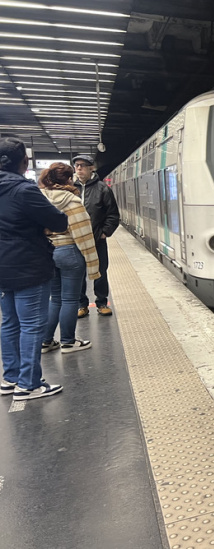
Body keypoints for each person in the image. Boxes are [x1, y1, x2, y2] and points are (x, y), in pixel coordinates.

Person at [0, 137, 68, 401]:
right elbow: (58, 221)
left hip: (3, 268)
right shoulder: (23, 190)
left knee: (9, 322)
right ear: (24, 162)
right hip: (28, 265)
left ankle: (11, 378)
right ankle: (29, 384)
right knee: (31, 325)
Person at [39, 162, 100, 354]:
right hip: (69, 252)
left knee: (55, 298)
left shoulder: (39, 199)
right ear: (68, 179)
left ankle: (46, 341)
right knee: (70, 299)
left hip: (49, 252)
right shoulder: (71, 201)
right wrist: (92, 263)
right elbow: (83, 234)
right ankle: (67, 341)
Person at [72, 154, 119, 318]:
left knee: (100, 272)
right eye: (77, 165)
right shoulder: (70, 188)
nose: (79, 168)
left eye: (83, 165)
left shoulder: (102, 189)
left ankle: (101, 303)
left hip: (96, 238)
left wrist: (105, 233)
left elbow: (112, 214)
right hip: (75, 240)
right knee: (78, 273)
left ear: (91, 168)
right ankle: (81, 304)